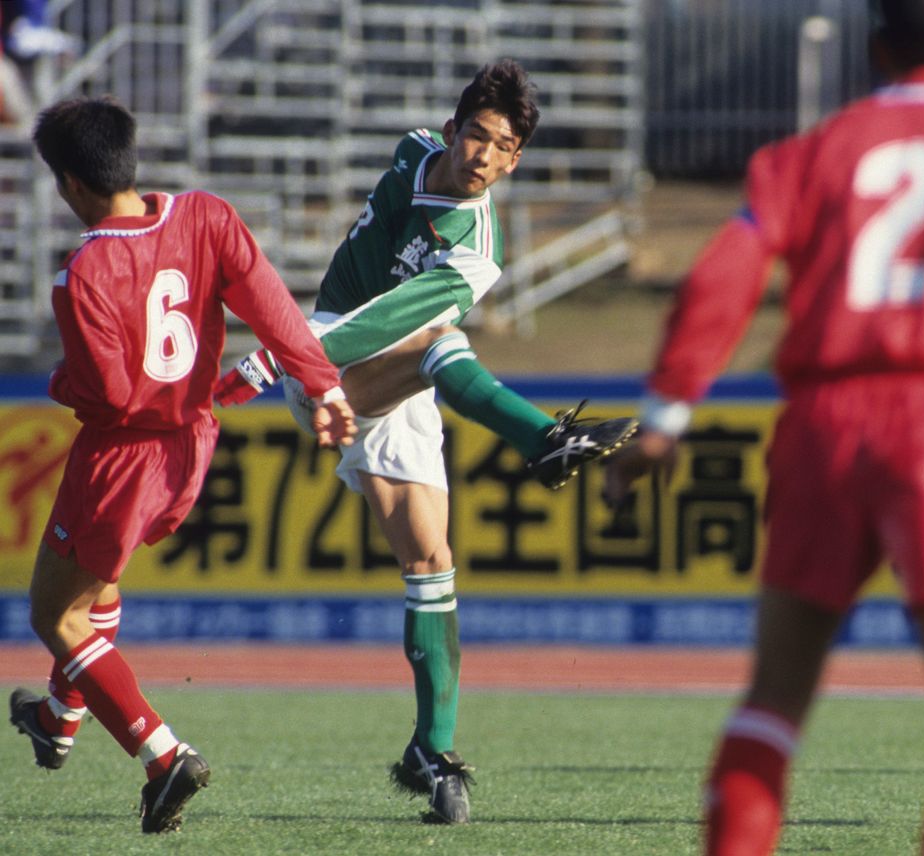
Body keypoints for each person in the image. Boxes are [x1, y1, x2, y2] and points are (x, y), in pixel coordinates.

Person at [605, 1, 924, 853]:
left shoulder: (814, 150)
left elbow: (726, 272)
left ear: (876, 49)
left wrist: (666, 411)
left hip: (825, 421)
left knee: (774, 701)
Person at [217, 59, 635, 825]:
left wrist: (272, 355)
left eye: (503, 146)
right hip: (328, 357)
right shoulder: (413, 152)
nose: (484, 154)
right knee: (442, 341)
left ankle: (430, 751)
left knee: (432, 565)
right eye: (476, 133)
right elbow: (374, 319)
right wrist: (282, 356)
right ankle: (543, 438)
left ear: (516, 161)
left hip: (392, 377)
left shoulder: (479, 249)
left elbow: (399, 313)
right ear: (451, 131)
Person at [7, 95, 356, 834]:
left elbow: (107, 396)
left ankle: (162, 756)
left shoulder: (83, 274)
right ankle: (60, 716)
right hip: (192, 446)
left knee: (51, 613)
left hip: (121, 461)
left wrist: (60, 383)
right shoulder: (205, 216)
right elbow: (273, 309)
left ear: (70, 184)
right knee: (98, 585)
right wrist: (321, 384)